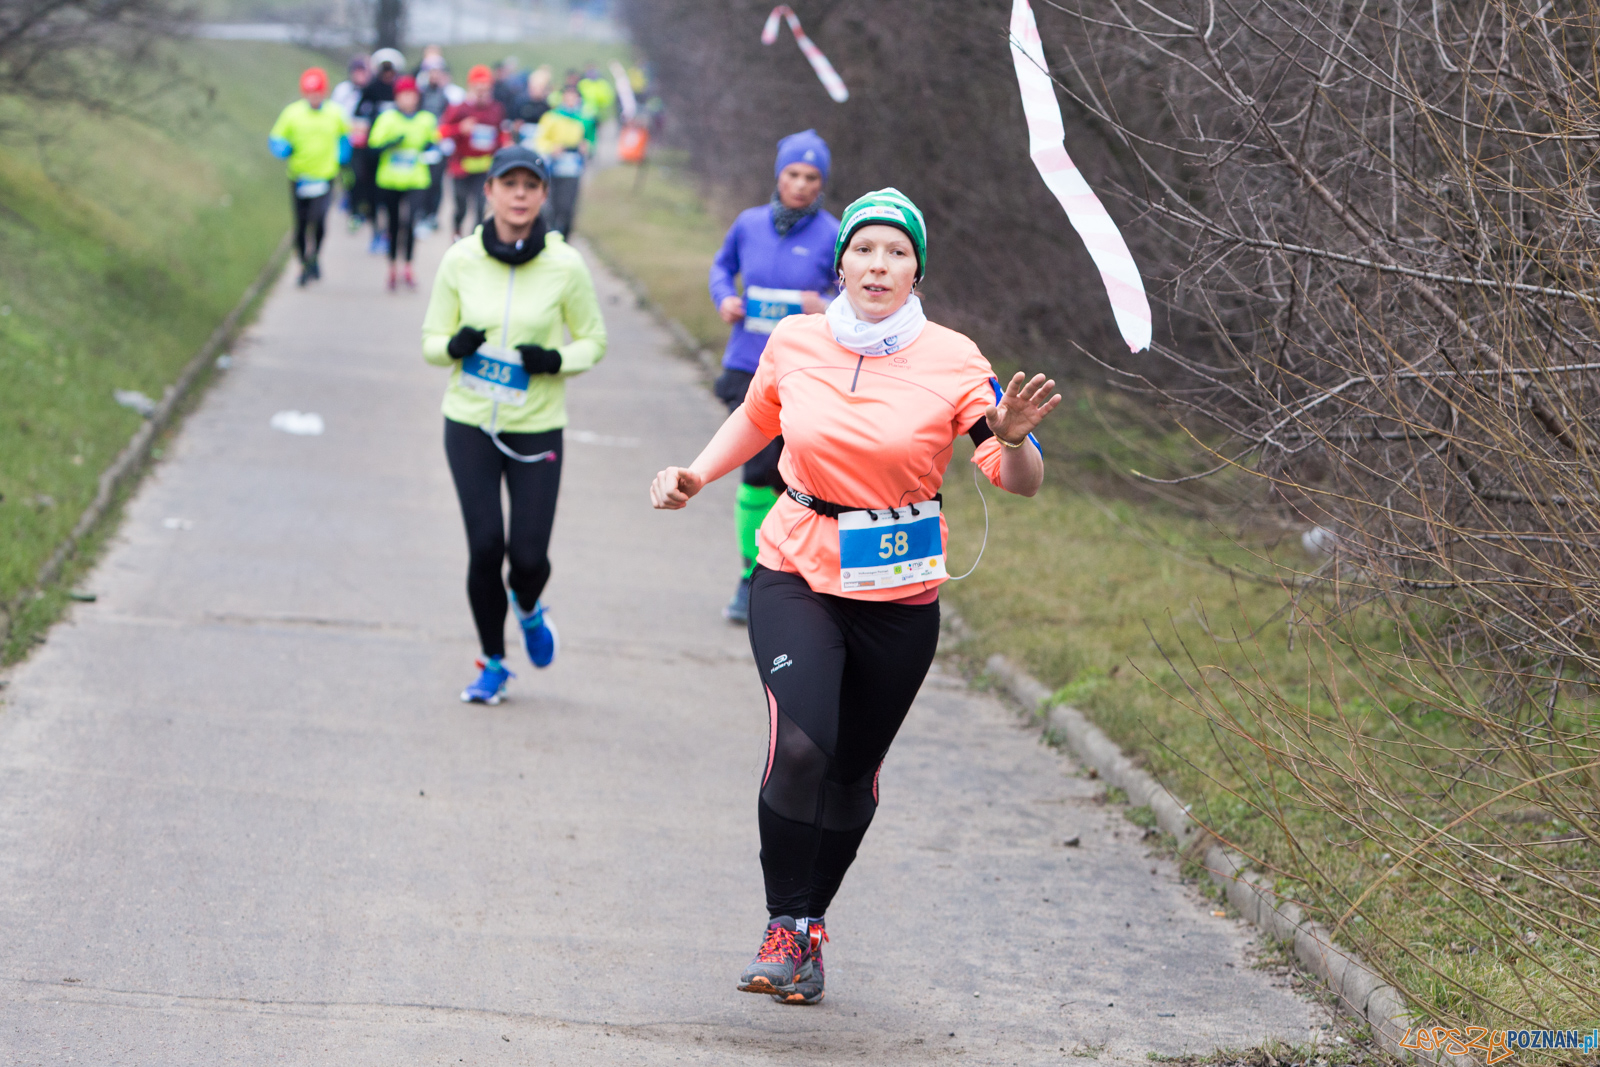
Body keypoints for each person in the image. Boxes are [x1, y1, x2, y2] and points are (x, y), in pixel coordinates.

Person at [650, 188, 1062, 1005]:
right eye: (866, 249)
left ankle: (810, 926)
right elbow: (755, 416)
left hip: (900, 590)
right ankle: (783, 923)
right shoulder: (798, 341)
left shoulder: (953, 358)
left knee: (850, 773)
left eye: (897, 252)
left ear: (917, 269)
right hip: (797, 564)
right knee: (802, 746)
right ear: (841, 260)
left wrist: (1012, 440)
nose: (879, 265)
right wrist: (697, 472)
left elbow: (1017, 479)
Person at [422, 146, 608, 704]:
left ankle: (528, 607)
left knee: (527, 557)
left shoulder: (565, 264)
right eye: (510, 184)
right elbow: (431, 343)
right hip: (470, 423)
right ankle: (494, 662)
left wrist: (555, 361)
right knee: (485, 547)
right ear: (491, 192)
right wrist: (453, 347)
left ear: (544, 194)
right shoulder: (459, 260)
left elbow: (594, 340)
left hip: (537, 425)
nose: (520, 194)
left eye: (531, 184)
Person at [707, 130, 839, 622]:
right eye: (793, 175)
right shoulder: (749, 224)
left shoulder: (833, 232)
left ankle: (791, 576)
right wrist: (725, 299)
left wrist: (822, 305)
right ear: (778, 176)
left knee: (796, 480)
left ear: (821, 183)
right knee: (756, 473)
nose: (801, 185)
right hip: (747, 366)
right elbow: (721, 267)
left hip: (805, 374)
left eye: (811, 177)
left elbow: (851, 299)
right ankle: (750, 577)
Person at [269, 67, 352, 287]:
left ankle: (315, 256)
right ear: (303, 93)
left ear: (324, 92)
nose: (314, 96)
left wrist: (344, 154)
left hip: (324, 177)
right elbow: (276, 138)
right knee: (301, 223)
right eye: (310, 92)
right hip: (299, 177)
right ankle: (303, 263)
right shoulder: (292, 113)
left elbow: (345, 137)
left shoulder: (335, 113)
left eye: (318, 92)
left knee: (319, 221)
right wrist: (283, 148)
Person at [369, 75, 438, 290]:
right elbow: (373, 147)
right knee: (393, 223)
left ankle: (408, 267)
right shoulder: (387, 119)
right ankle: (392, 268)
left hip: (416, 179)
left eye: (411, 95)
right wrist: (390, 143)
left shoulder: (426, 119)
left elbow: (435, 144)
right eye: (403, 95)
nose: (408, 99)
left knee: (410, 223)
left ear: (417, 97)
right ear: (397, 97)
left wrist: (430, 146)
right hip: (390, 180)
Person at [439, 66, 506, 240]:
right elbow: (441, 132)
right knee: (461, 206)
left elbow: (500, 134)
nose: (482, 93)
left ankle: (474, 241)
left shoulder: (496, 108)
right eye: (478, 88)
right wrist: (459, 128)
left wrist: (505, 143)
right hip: (461, 166)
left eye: (486, 89)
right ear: (471, 87)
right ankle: (457, 232)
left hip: (484, 168)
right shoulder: (459, 108)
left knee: (480, 207)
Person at [355, 49, 403, 253]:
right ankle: (376, 230)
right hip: (374, 150)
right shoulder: (371, 89)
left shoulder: (399, 90)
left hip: (397, 151)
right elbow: (358, 114)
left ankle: (392, 232)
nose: (387, 74)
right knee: (372, 193)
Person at [533, 85, 590, 236]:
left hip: (572, 169)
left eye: (574, 98)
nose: (571, 101)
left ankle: (564, 240)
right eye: (568, 97)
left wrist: (586, 147)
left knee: (568, 208)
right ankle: (548, 237)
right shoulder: (551, 117)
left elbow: (590, 140)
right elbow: (539, 141)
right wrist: (552, 149)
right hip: (553, 168)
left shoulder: (582, 120)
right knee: (550, 208)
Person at [418, 64, 463, 232]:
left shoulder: (448, 96)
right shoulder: (421, 94)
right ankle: (421, 213)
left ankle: (432, 215)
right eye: (432, 73)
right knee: (423, 181)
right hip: (423, 144)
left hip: (441, 145)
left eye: (438, 73)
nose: (435, 77)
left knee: (437, 182)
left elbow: (450, 120)